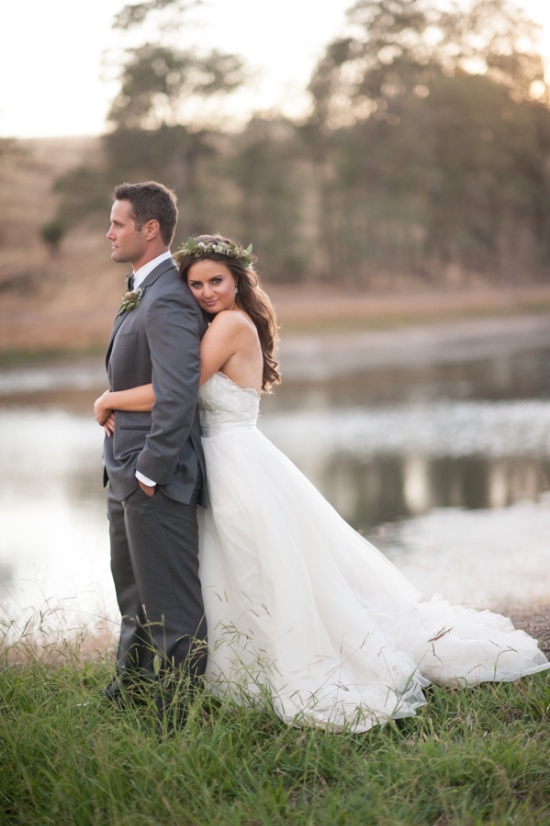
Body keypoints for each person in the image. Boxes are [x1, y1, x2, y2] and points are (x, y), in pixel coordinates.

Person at [94, 234, 550, 732]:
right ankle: (237, 670)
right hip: (221, 460)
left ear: (238, 281)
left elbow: (175, 389)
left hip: (236, 464)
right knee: (236, 571)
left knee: (259, 569)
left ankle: (285, 666)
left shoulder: (227, 325)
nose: (205, 292)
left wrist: (109, 401)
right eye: (196, 284)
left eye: (216, 281)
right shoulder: (217, 323)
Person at [96, 182, 207, 734]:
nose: (109, 232)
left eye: (118, 223)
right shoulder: (143, 288)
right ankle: (130, 691)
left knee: (172, 606)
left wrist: (149, 471)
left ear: (150, 229)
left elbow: (179, 391)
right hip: (124, 467)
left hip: (153, 475)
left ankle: (178, 720)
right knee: (134, 593)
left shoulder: (166, 297)